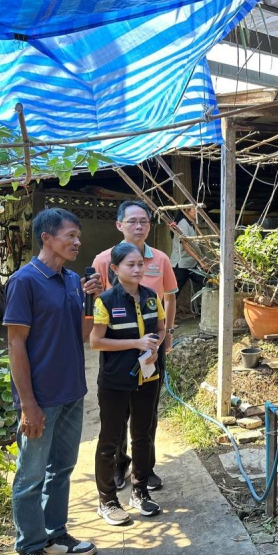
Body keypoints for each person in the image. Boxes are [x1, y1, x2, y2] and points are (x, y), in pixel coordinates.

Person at [4, 208, 103, 555]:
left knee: (62, 469)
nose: (77, 242)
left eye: (78, 236)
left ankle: (55, 536)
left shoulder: (73, 280)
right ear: (46, 238)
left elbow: (81, 336)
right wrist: (28, 404)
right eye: (70, 235)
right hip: (41, 398)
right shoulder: (24, 281)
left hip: (72, 392)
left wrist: (91, 300)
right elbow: (15, 344)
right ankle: (30, 548)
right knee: (31, 475)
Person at [92, 200, 177, 492]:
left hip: (151, 347)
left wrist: (165, 336)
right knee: (117, 414)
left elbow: (169, 298)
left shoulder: (160, 259)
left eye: (144, 221)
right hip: (118, 348)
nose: (139, 226)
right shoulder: (103, 259)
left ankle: (145, 469)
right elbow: (96, 302)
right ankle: (120, 465)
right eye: (132, 221)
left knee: (146, 413)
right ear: (120, 225)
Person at [90, 243, 166, 525]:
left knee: (143, 435)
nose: (137, 269)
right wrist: (136, 343)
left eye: (140, 264)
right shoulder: (106, 301)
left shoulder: (151, 296)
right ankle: (107, 501)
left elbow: (160, 328)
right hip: (115, 381)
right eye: (130, 265)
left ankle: (140, 491)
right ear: (115, 268)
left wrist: (155, 345)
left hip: (148, 377)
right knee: (110, 439)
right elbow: (96, 341)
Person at [170, 209, 205, 296]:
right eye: (194, 210)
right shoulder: (183, 223)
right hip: (180, 265)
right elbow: (185, 246)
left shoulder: (191, 224)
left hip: (191, 264)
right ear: (186, 210)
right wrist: (200, 261)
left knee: (205, 283)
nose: (197, 212)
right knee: (173, 293)